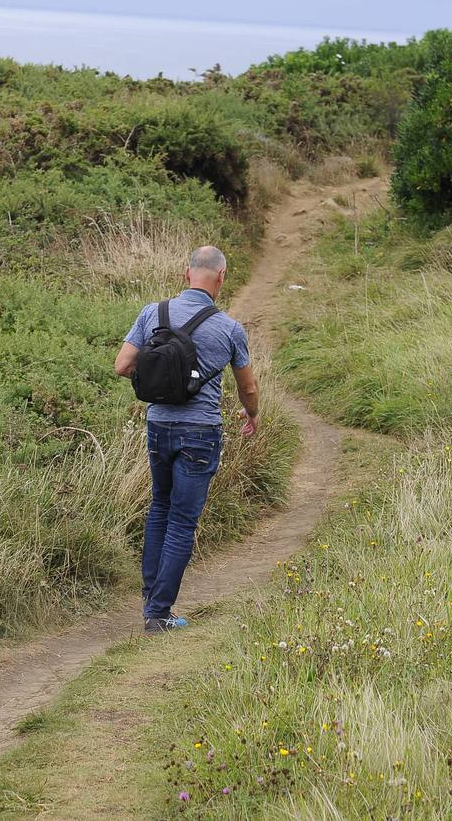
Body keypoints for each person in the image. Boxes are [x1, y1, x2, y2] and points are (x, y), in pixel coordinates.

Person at [114, 245, 260, 633]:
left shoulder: (152, 314)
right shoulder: (229, 327)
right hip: (201, 433)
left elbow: (122, 366)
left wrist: (163, 382)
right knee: (182, 520)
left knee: (159, 507)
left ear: (186, 274)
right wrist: (252, 413)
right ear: (221, 278)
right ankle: (159, 614)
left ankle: (152, 600)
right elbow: (248, 387)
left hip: (158, 426)